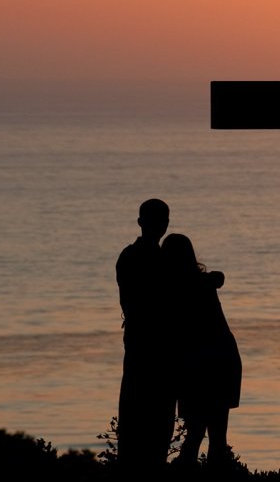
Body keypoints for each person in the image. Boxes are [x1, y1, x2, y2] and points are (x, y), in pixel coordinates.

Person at [163, 233, 243, 468]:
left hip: (201, 362)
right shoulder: (200, 282)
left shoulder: (174, 288)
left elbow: (218, 278)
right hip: (219, 358)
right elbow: (218, 278)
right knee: (214, 436)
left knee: (197, 433)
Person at [116, 198, 176, 475]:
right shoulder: (159, 260)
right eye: (157, 221)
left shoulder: (129, 257)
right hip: (154, 349)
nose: (159, 226)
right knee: (154, 419)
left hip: (145, 347)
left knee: (140, 417)